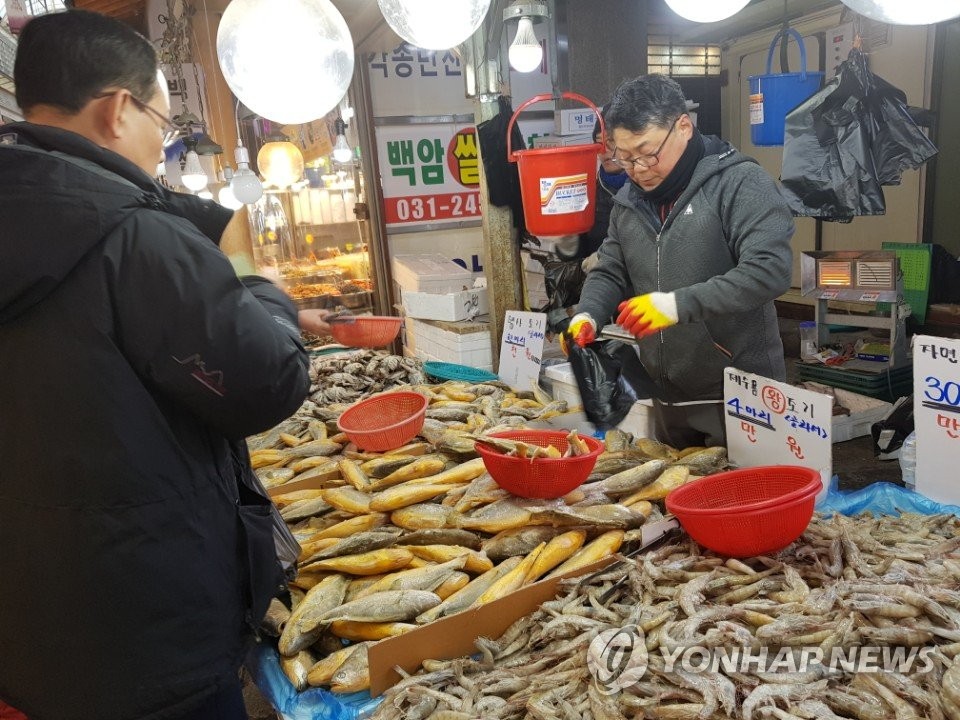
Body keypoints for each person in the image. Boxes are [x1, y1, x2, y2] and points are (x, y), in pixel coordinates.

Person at [0, 10, 312, 720]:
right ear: (117, 110)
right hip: (153, 641)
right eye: (162, 124)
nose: (160, 145)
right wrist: (261, 290)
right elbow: (269, 380)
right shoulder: (133, 236)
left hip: (32, 633)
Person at [564, 74, 794, 448]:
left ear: (683, 127)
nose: (638, 169)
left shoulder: (739, 183)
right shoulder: (629, 201)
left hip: (739, 393)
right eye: (624, 158)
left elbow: (770, 270)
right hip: (667, 392)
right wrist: (588, 313)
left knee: (740, 497)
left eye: (647, 152)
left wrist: (676, 305)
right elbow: (611, 268)